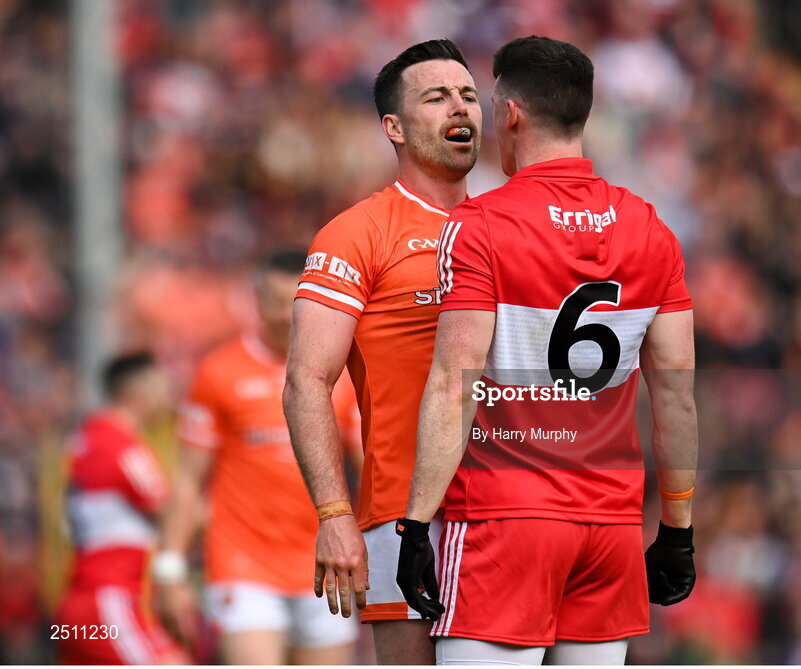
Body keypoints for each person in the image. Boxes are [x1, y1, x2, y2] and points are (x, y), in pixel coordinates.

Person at [396, 36, 698, 665]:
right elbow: (675, 394)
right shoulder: (652, 229)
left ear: (509, 115)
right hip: (610, 529)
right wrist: (678, 530)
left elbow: (455, 381)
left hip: (504, 522)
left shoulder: (479, 226)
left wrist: (416, 524)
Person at [283, 39, 481, 664]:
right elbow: (306, 381)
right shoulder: (358, 232)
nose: (460, 107)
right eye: (437, 96)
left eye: (470, 95)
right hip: (406, 509)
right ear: (393, 128)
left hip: (516, 507)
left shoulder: (510, 227)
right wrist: (334, 513)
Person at [154, 250, 362, 665]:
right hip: (243, 565)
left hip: (324, 560)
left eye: (294, 303)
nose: (284, 316)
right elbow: (189, 481)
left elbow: (371, 467)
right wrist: (170, 569)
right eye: (273, 301)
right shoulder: (219, 373)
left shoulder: (343, 375)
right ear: (256, 299)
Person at [55, 353, 188, 665]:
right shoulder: (119, 445)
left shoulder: (87, 437)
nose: (168, 396)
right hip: (108, 600)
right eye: (162, 386)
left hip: (83, 598)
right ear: (138, 391)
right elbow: (170, 512)